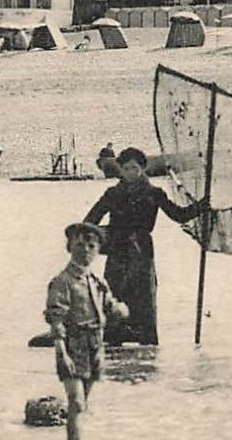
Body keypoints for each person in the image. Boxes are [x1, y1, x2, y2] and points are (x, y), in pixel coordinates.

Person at [82, 146, 206, 345]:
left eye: (135, 168)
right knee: (114, 301)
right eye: (126, 169)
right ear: (120, 170)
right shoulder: (112, 194)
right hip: (118, 252)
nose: (131, 173)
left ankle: (146, 360)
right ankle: (115, 356)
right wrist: (96, 239)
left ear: (143, 168)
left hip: (142, 253)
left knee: (144, 304)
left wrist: (202, 205)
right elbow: (90, 221)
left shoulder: (154, 193)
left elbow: (179, 215)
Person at [45, 222, 129, 440]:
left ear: (98, 250)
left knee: (84, 402)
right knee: (76, 402)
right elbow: (56, 318)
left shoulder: (97, 281)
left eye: (91, 246)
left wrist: (121, 310)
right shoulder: (63, 282)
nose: (85, 251)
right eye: (79, 245)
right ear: (69, 247)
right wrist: (61, 351)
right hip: (73, 344)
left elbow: (110, 307)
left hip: (96, 344)